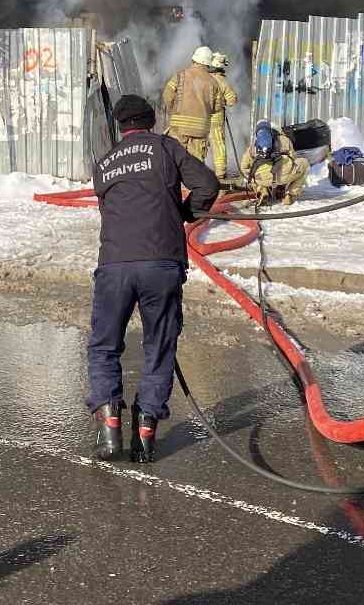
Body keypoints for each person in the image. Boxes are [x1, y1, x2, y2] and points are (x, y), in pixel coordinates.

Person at [87, 94, 220, 463]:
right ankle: (145, 435)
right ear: (152, 122)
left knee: (104, 346)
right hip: (161, 265)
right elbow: (207, 184)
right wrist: (183, 213)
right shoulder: (165, 148)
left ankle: (109, 429)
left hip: (113, 265)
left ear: (119, 126)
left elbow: (112, 208)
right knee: (158, 346)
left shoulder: (104, 164)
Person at [161, 46, 231, 162]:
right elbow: (217, 107)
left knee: (175, 161)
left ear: (194, 60)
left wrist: (175, 110)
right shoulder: (213, 82)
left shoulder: (180, 76)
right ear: (208, 63)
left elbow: (167, 95)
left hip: (179, 128)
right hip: (200, 131)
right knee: (195, 166)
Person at [239, 120, 307, 207]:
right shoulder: (285, 140)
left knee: (251, 173)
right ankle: (290, 195)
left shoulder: (253, 146)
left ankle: (262, 192)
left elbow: (243, 167)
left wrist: (253, 177)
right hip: (282, 175)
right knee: (304, 163)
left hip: (261, 179)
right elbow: (293, 160)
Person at [207, 51, 239, 180]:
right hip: (215, 117)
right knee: (218, 143)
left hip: (200, 117)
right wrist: (223, 101)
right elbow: (232, 100)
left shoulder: (202, 78)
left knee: (200, 145)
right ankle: (220, 173)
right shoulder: (220, 80)